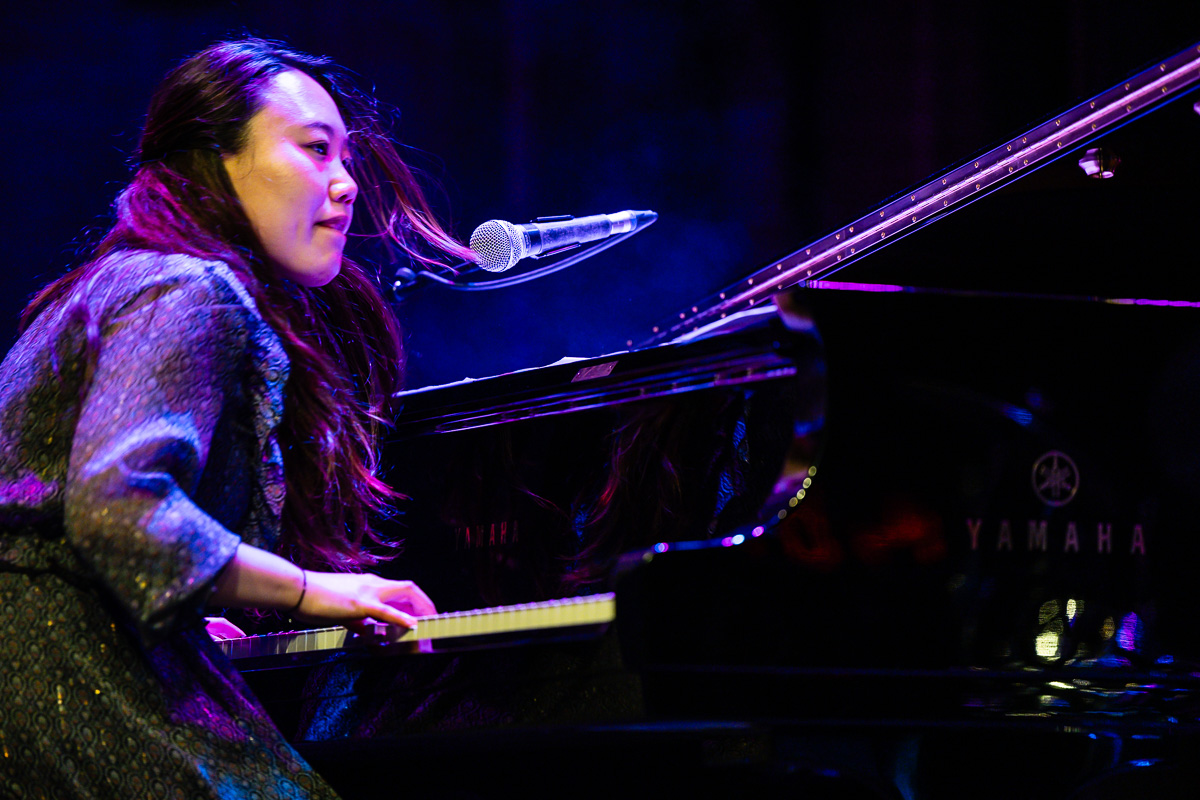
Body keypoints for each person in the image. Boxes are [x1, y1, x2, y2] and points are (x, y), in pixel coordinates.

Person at [0, 38, 475, 798]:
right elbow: (118, 509)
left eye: (346, 156)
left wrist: (189, 596)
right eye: (316, 149)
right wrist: (316, 591)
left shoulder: (123, 281)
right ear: (216, 159)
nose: (347, 183)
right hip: (58, 670)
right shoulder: (189, 290)